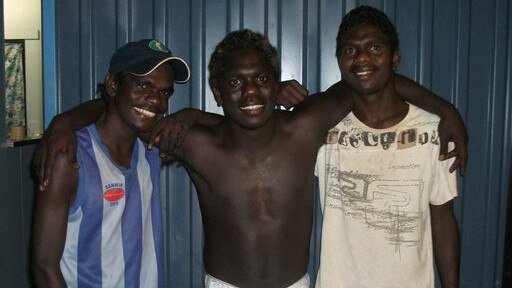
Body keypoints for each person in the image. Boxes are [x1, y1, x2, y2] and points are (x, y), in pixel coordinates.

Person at [33, 30, 466, 287]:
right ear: (219, 93)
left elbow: (369, 80)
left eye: (261, 79)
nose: (251, 91)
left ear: (277, 84)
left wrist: (446, 110)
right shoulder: (194, 143)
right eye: (236, 83)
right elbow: (124, 118)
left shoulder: (306, 127)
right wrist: (65, 123)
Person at [314, 6, 459, 288]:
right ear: (339, 61)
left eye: (374, 47)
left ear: (395, 57)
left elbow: (443, 219)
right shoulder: (323, 128)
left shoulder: (433, 130)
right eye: (350, 50)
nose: (362, 57)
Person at [30, 39, 192, 287]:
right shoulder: (69, 157)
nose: (156, 100)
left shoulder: (153, 150)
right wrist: (63, 123)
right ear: (113, 84)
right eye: (144, 85)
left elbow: (230, 133)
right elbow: (44, 267)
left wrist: (189, 115)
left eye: (164, 91)